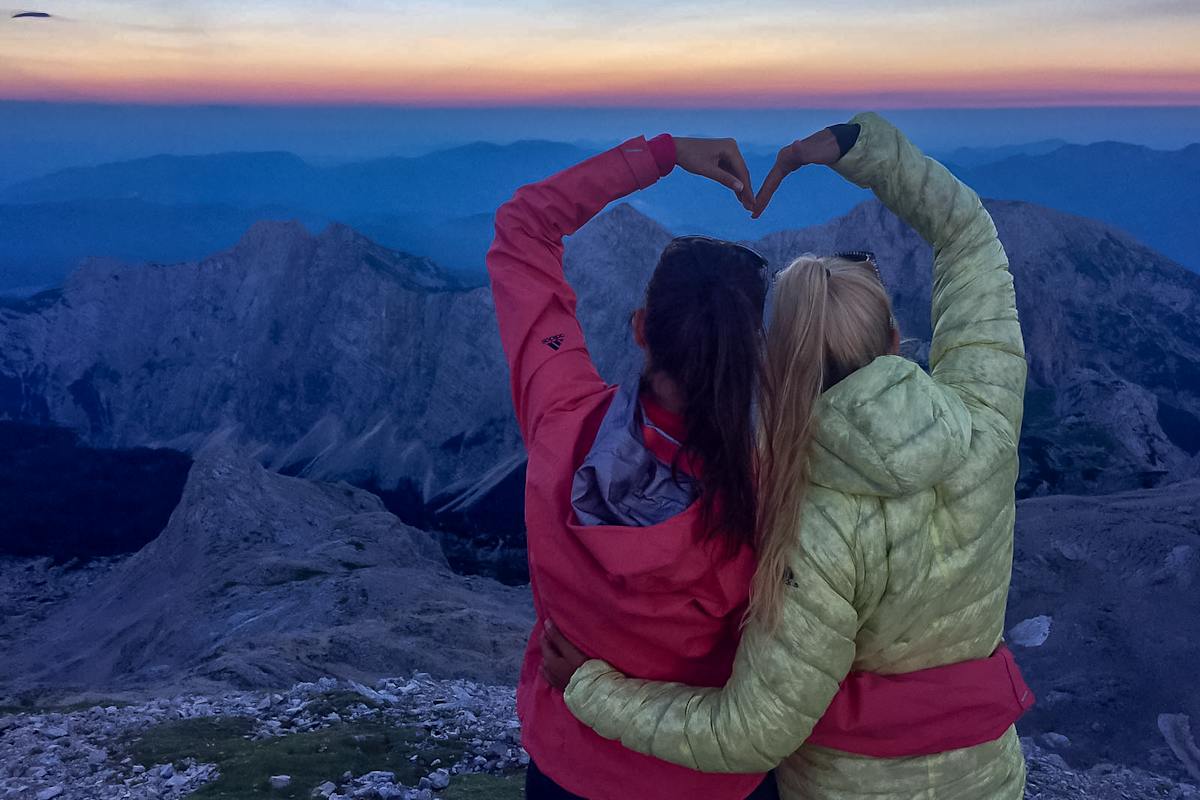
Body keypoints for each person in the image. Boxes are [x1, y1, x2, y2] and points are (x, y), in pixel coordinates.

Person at [542, 111, 1033, 799]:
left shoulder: (809, 524)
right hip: (990, 780)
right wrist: (853, 147)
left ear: (772, 371)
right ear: (895, 339)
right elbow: (969, 237)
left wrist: (589, 688)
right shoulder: (988, 421)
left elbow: (751, 734)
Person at [486, 133, 781, 799]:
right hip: (716, 781)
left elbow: (523, 226)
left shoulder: (562, 424)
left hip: (571, 770)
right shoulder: (773, 496)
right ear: (753, 354)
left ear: (641, 326)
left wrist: (664, 155)